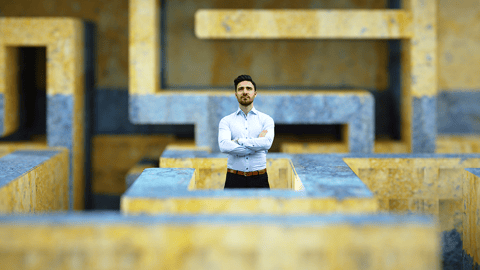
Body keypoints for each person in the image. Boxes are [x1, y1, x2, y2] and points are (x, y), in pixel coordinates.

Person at [218, 75, 275, 188]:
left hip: (260, 179)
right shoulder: (226, 121)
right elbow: (224, 146)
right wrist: (257, 145)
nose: (245, 92)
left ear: (255, 93)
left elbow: (267, 143)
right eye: (240, 89)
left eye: (248, 88)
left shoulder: (266, 119)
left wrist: (238, 141)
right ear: (236, 94)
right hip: (233, 179)